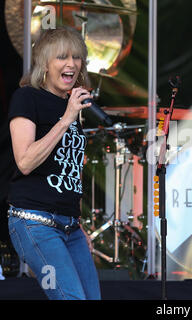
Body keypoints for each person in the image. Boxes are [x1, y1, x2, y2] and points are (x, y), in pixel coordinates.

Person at [7, 26, 101, 300]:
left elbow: (69, 171)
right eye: (62, 57)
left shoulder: (70, 107)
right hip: (34, 223)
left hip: (69, 226)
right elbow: (25, 162)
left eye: (77, 57)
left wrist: (79, 224)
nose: (71, 64)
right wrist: (66, 119)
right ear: (45, 65)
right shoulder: (27, 98)